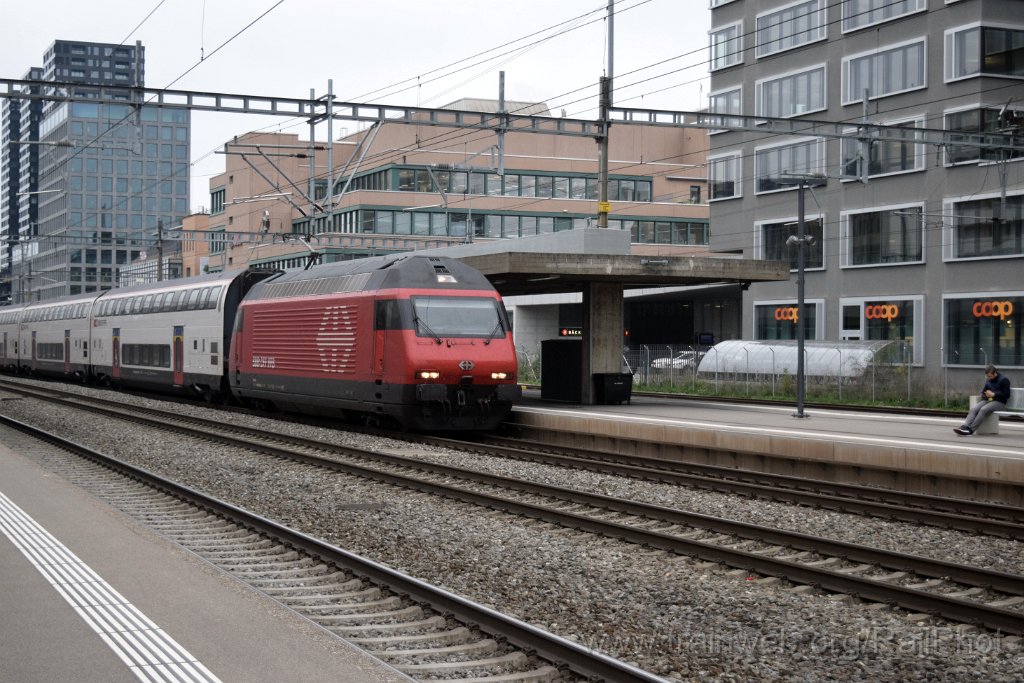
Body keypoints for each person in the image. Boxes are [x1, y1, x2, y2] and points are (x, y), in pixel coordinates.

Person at [954, 365, 1011, 435]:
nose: (989, 378)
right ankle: (965, 427)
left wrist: (994, 395)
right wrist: (985, 395)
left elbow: (1007, 395)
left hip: (1000, 403)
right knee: (974, 409)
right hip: (989, 400)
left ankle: (970, 430)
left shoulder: (1004, 380)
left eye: (990, 376)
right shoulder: (988, 380)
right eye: (987, 376)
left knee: (983, 409)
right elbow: (983, 392)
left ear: (995, 373)